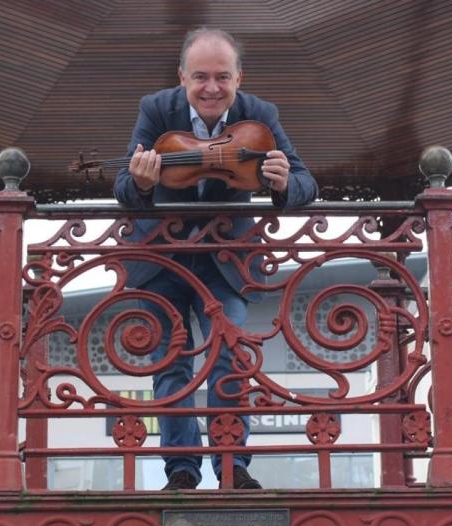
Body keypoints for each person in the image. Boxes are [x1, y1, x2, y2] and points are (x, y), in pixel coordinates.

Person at [113, 27, 318, 490]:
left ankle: (232, 465)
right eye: (200, 76)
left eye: (222, 77)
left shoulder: (260, 116)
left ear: (239, 77)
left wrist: (283, 183)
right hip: (161, 257)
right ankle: (182, 471)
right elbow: (124, 190)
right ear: (182, 76)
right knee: (170, 362)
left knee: (231, 357)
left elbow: (307, 184)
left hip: (227, 258)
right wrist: (143, 182)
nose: (211, 88)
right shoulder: (156, 110)